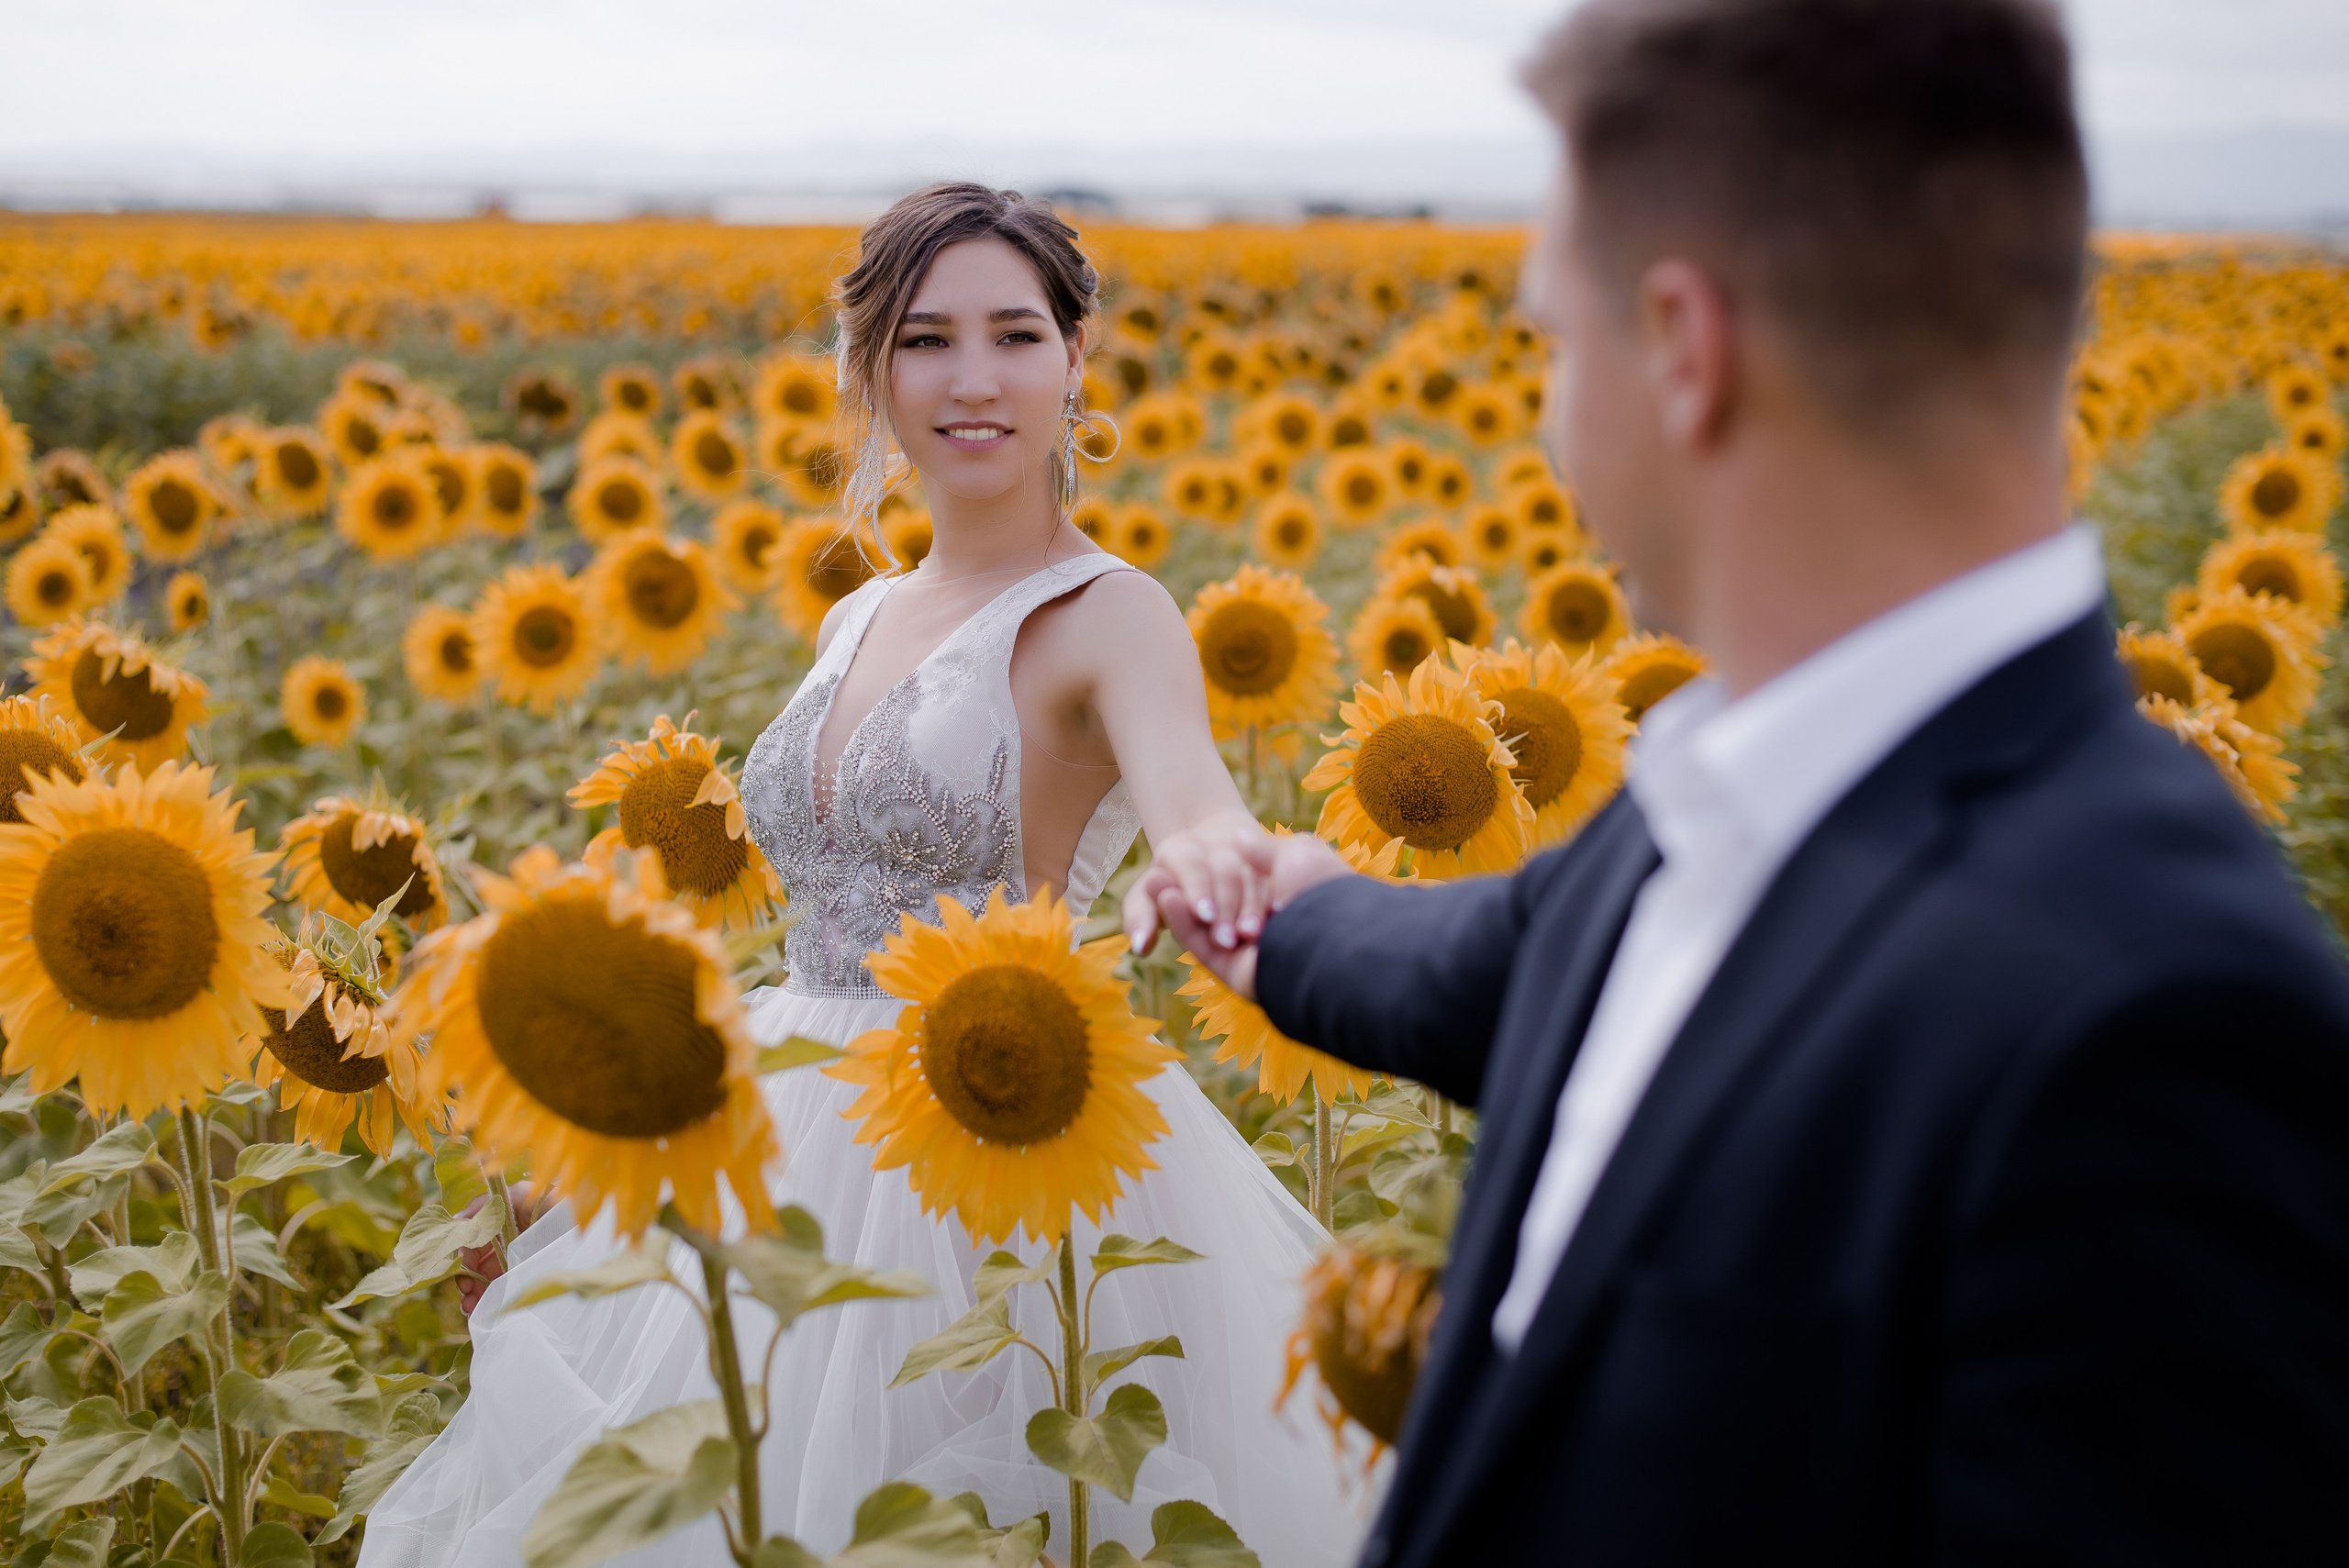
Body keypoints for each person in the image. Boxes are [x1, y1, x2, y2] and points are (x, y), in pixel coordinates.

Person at [1132, 1, 2349, 1563]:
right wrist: (1284, 915)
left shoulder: (2160, 1016)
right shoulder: (1724, 809)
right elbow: (1494, 971)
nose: (1558, 423)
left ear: (1686, 352)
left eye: (1559, 345)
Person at [362, 185, 1363, 1568]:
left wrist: (1225, 866)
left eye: (1015, 335)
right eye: (923, 339)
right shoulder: (857, 610)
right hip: (782, 1125)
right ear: (871, 370)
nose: (971, 380)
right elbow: (809, 932)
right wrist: (610, 1156)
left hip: (984, 1145)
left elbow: (1196, 803)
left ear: (1077, 360)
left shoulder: (1111, 613)